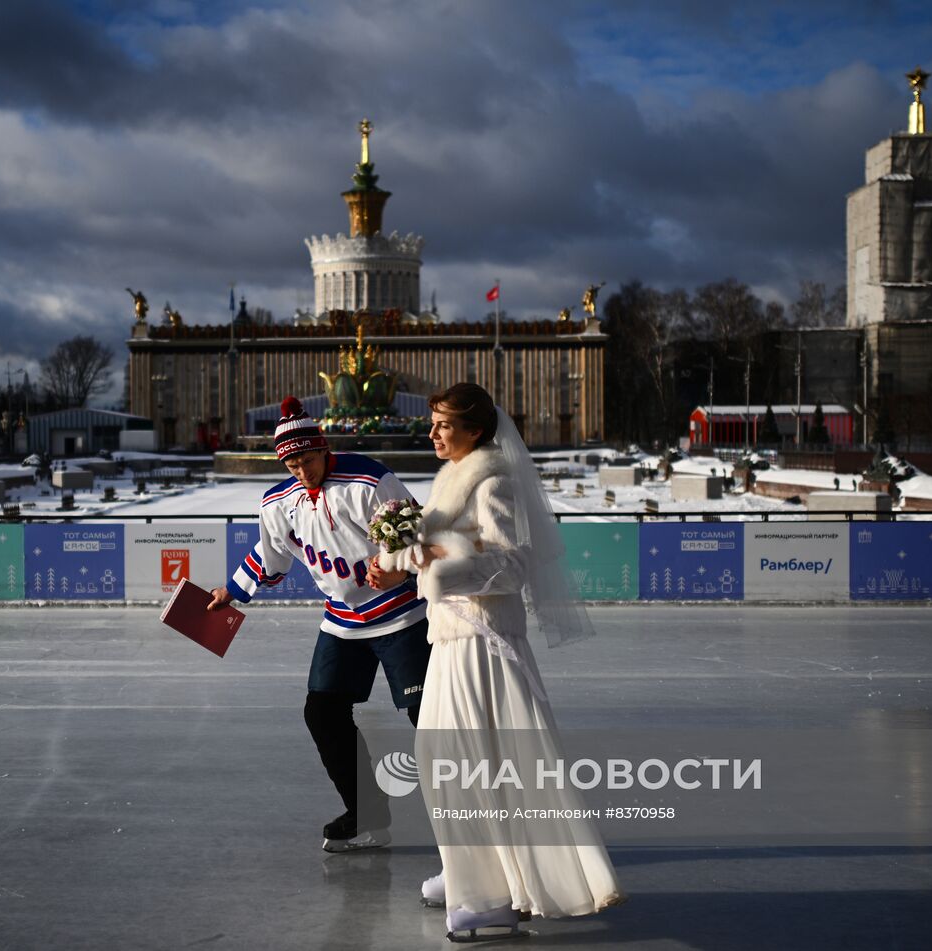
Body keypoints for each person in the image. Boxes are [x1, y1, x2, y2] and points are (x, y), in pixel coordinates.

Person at [370, 382, 624, 941]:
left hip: (483, 646)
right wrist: (402, 563)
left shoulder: (494, 482)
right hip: (453, 640)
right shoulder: (452, 478)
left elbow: (511, 566)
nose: (432, 432)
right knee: (443, 759)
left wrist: (434, 559)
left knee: (472, 764)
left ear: (476, 431)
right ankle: (467, 871)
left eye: (444, 424)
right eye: (433, 422)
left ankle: (490, 897)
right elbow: (444, 555)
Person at [207, 395, 431, 852]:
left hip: (402, 615)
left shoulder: (369, 479)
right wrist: (229, 591)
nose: (303, 472)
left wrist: (401, 566)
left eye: (308, 459)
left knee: (428, 718)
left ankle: (480, 820)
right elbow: (269, 559)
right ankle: (367, 813)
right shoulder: (277, 503)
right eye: (292, 465)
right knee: (322, 712)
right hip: (343, 622)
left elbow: (420, 536)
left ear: (323, 448)